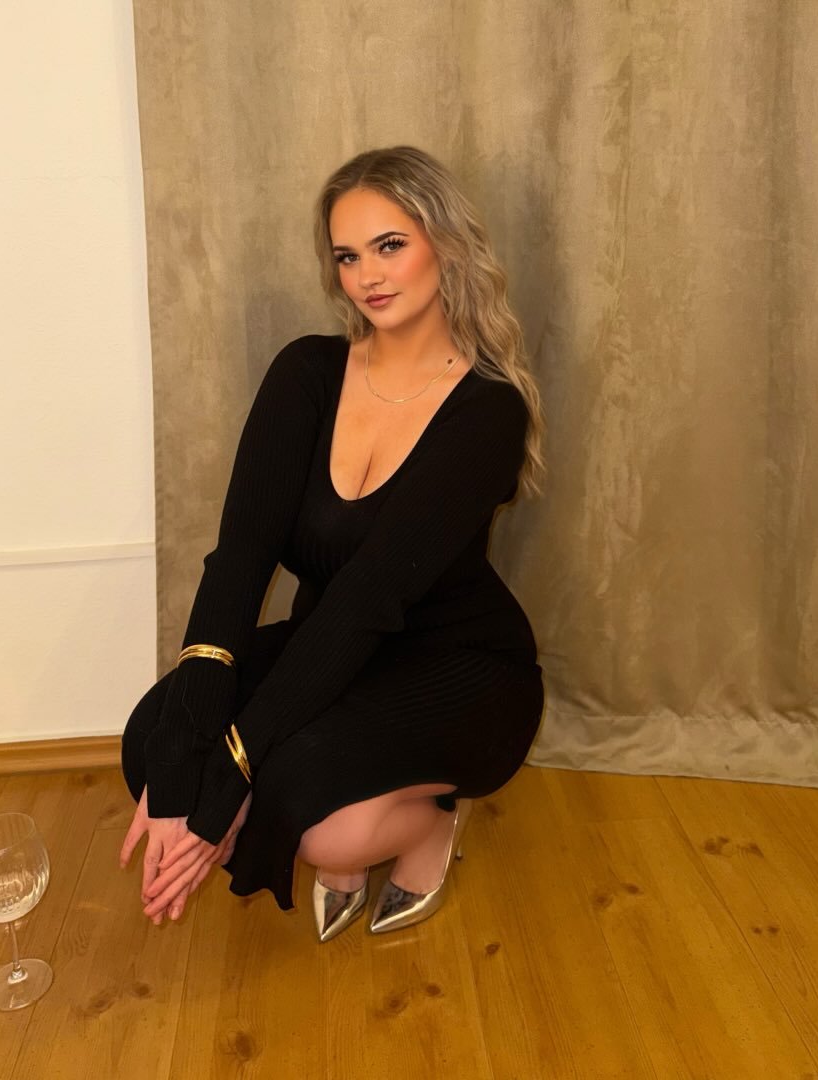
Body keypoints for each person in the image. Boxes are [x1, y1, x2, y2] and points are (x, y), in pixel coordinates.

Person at [118, 145, 546, 942]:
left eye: (390, 246)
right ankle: (327, 798)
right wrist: (189, 756)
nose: (367, 276)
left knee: (316, 822)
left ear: (446, 245)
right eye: (348, 256)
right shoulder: (307, 374)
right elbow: (239, 561)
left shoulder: (488, 409)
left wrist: (230, 775)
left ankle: (428, 825)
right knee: (154, 738)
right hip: (330, 646)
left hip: (458, 665)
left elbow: (366, 600)